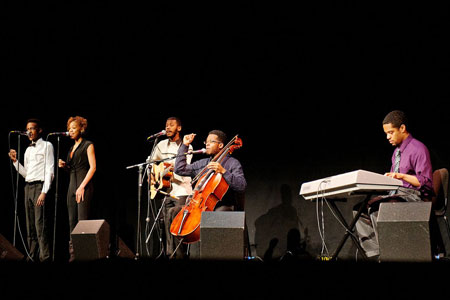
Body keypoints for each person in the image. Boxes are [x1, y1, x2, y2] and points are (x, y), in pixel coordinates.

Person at [354, 110, 434, 259]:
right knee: (359, 209)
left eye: (391, 132)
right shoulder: (396, 153)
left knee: (378, 208)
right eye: (386, 133)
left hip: (415, 197)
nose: (388, 137)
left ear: (402, 128)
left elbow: (426, 182)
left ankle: (388, 252)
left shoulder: (418, 149)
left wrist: (401, 176)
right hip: (397, 195)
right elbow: (393, 182)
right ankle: (376, 252)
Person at [8, 118, 54, 262]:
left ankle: (45, 257)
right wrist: (15, 162)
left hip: (39, 187)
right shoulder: (27, 150)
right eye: (27, 129)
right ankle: (31, 255)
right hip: (28, 187)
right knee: (30, 226)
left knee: (40, 224)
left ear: (39, 130)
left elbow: (50, 171)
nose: (29, 131)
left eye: (32, 128)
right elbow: (26, 173)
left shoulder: (47, 145)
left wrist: (44, 192)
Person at [147, 117, 193, 259]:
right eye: (166, 125)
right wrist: (152, 176)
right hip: (166, 191)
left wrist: (169, 168)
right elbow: (151, 162)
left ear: (179, 128)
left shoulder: (187, 147)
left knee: (178, 224)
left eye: (171, 125)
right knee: (165, 223)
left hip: (182, 190)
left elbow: (181, 168)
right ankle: (169, 255)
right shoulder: (160, 145)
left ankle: (180, 256)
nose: (168, 128)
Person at [175, 130, 247, 212]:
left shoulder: (232, 163)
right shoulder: (203, 164)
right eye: (206, 142)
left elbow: (241, 186)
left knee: (219, 213)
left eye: (211, 141)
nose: (207, 144)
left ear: (220, 145)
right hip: (200, 205)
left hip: (223, 206)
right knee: (174, 211)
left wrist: (223, 171)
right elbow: (179, 169)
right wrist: (185, 145)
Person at [59, 116, 96, 261]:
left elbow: (92, 168)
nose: (70, 131)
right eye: (69, 129)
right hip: (71, 188)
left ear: (81, 128)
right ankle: (73, 255)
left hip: (83, 187)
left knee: (82, 222)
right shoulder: (71, 148)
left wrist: (82, 187)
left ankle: (84, 255)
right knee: (71, 222)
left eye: (73, 128)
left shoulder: (88, 145)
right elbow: (71, 170)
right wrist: (64, 166)